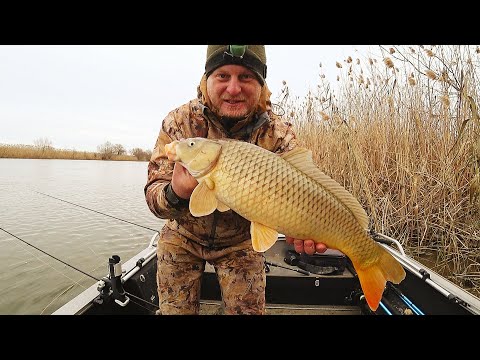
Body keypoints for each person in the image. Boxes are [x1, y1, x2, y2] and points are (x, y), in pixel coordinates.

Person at [144, 45, 327, 315]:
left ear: (261, 83)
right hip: (182, 236)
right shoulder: (180, 123)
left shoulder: (278, 134)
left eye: (245, 77)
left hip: (243, 240)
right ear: (207, 79)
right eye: (222, 76)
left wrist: (301, 227)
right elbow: (154, 199)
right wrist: (175, 192)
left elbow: (299, 194)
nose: (233, 88)